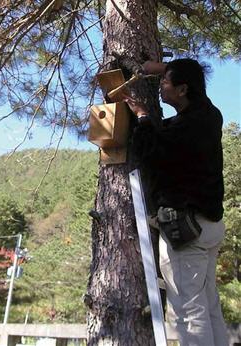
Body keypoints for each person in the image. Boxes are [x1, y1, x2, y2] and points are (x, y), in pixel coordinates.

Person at [124, 58, 229, 346]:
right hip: (209, 227)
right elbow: (191, 67)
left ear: (182, 89)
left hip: (187, 230)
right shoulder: (208, 113)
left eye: (165, 82)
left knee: (188, 314)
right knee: (208, 308)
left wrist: (143, 116)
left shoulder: (184, 130)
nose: (161, 87)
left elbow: (150, 153)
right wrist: (159, 67)